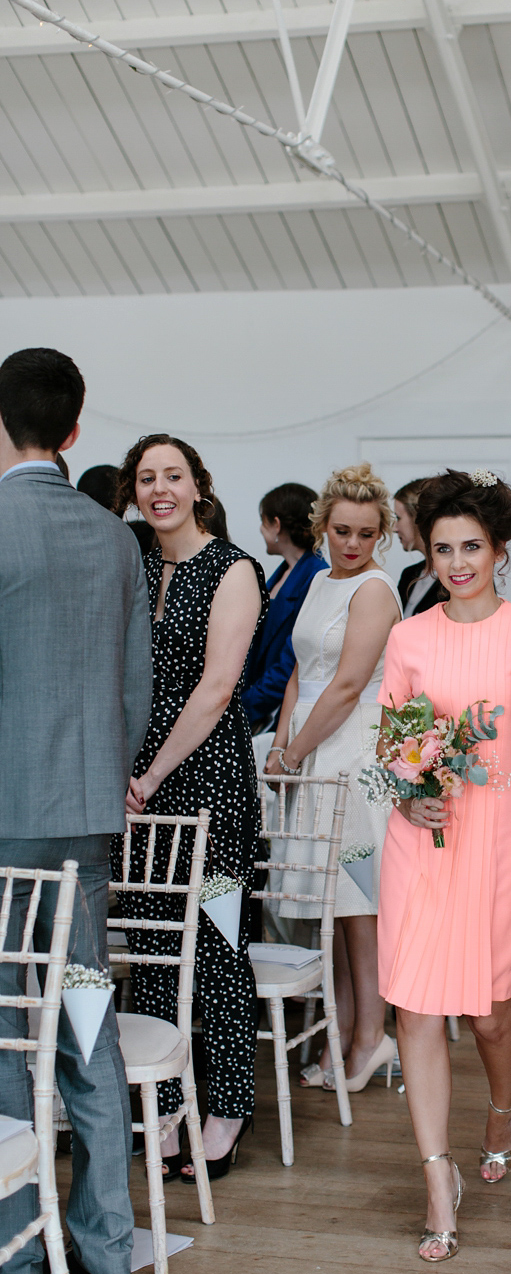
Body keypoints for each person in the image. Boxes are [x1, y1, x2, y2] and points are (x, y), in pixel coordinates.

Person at [0, 348, 152, 1274]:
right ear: (77, 429)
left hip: (2, 827)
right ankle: (106, 1260)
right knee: (87, 1027)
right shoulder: (115, 540)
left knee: (4, 1038)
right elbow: (134, 696)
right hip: (87, 831)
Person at [377, 469, 511, 1262]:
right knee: (417, 1009)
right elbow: (390, 742)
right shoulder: (409, 637)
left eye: (471, 548)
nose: (456, 563)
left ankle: (505, 1106)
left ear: (499, 549)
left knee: (488, 1013)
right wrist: (409, 795)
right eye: (442, 548)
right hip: (424, 841)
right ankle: (436, 1176)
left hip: (498, 843)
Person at [112, 433, 268, 1183]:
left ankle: (230, 1104)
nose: (159, 488)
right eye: (147, 477)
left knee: (217, 943)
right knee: (148, 950)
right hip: (137, 786)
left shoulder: (233, 567)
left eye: (172, 475)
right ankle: (165, 1106)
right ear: (133, 492)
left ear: (198, 486)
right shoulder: (135, 566)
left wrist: (151, 773)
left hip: (208, 782)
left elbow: (215, 689)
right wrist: (125, 773)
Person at [266, 464, 401, 1091]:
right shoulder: (321, 580)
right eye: (342, 531)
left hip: (356, 753)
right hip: (316, 745)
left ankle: (373, 1037)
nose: (352, 544)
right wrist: (283, 738)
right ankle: (340, 1033)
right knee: (332, 908)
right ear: (323, 527)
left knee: (359, 903)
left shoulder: (374, 590)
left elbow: (348, 685)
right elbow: (302, 670)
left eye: (367, 534)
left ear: (382, 536)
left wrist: (295, 755)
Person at [242, 483, 326, 737]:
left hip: (277, 714)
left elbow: (292, 662)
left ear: (276, 525)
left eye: (263, 521)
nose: (260, 528)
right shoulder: (282, 574)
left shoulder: (316, 576)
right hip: (260, 704)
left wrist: (242, 706)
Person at [393, 477, 447, 618]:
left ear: (417, 518)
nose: (394, 528)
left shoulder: (457, 578)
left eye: (398, 518)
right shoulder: (409, 574)